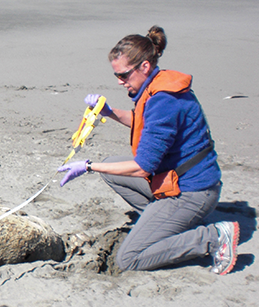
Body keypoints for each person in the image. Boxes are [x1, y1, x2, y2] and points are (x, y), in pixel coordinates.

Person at [57, 26, 239, 275]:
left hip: (193, 192)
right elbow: (143, 121)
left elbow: (143, 166)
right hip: (179, 182)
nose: (120, 82)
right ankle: (166, 224)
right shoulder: (156, 85)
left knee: (129, 259)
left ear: (144, 66)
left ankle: (213, 237)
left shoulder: (164, 99)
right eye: (116, 76)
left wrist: (87, 167)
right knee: (112, 169)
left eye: (123, 75)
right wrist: (109, 112)